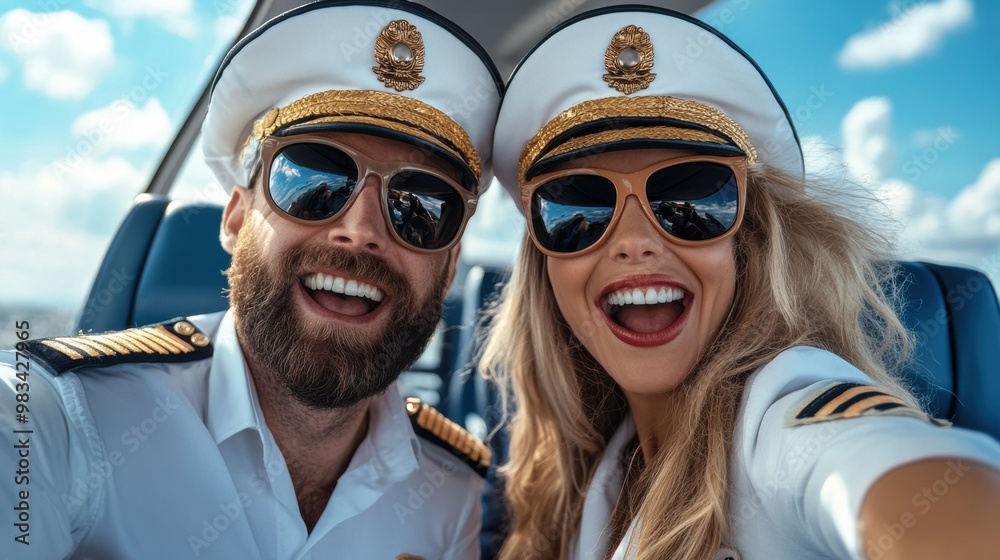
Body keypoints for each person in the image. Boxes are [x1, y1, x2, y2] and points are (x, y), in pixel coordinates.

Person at [481, 6, 1000, 560]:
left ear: (748, 240)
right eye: (578, 207)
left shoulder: (782, 419)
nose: (634, 241)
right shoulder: (592, 469)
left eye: (691, 200)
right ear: (544, 264)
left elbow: (887, 472)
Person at [0, 1, 501, 558]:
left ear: (449, 267)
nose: (360, 231)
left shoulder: (459, 494)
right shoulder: (55, 419)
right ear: (237, 219)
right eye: (313, 180)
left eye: (420, 208)